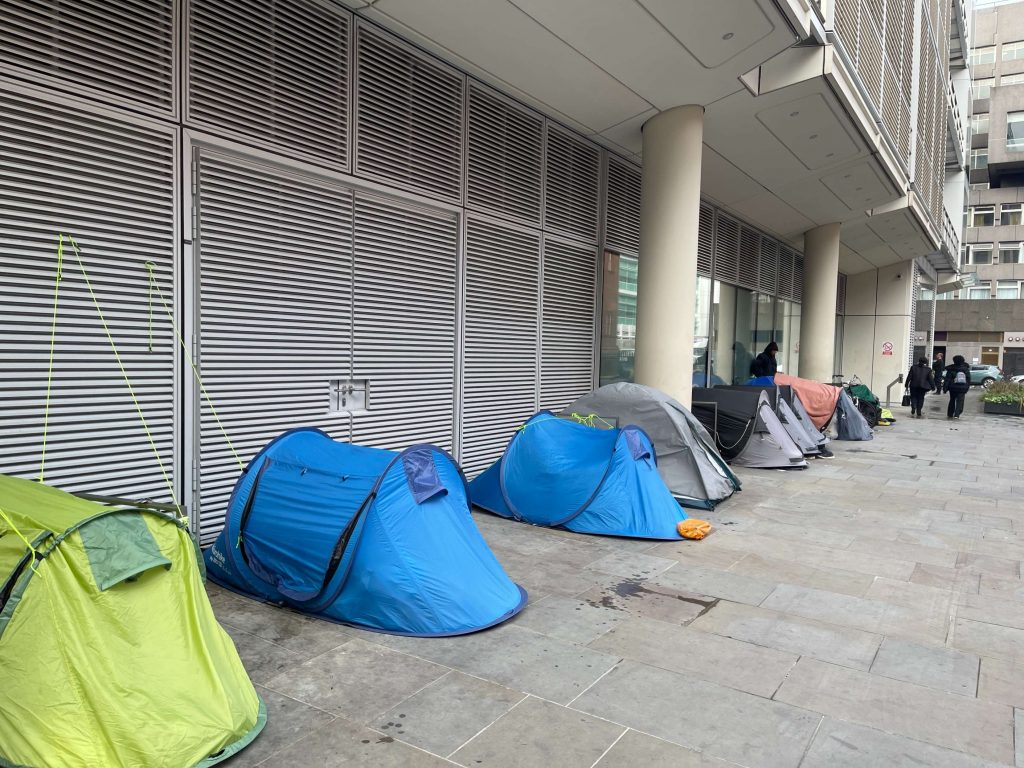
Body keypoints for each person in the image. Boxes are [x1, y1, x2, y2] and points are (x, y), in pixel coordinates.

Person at [943, 354, 972, 420]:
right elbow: (968, 379)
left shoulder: (951, 369)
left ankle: (950, 414)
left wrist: (945, 388)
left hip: (952, 387)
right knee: (960, 401)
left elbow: (947, 379)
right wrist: (967, 387)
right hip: (962, 388)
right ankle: (957, 414)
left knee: (952, 400)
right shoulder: (965, 369)